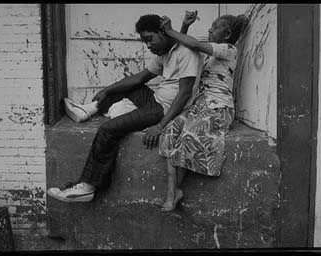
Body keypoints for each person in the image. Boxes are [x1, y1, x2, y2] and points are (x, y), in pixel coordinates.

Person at [47, 14, 203, 202]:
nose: (148, 45)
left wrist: (161, 125)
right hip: (155, 99)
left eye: (149, 39)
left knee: (108, 129)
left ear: (163, 33)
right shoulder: (167, 52)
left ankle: (87, 187)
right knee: (129, 86)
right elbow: (139, 78)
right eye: (145, 42)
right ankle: (88, 109)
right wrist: (105, 91)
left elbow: (185, 93)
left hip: (162, 110)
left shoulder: (187, 53)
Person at [158, 11, 249, 211]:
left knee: (189, 135)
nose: (209, 29)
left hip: (218, 108)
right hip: (199, 106)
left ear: (226, 35)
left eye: (215, 27)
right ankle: (174, 191)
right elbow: (185, 47)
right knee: (170, 130)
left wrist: (170, 30)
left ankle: (172, 194)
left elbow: (195, 45)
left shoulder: (229, 49)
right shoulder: (209, 57)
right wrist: (184, 26)